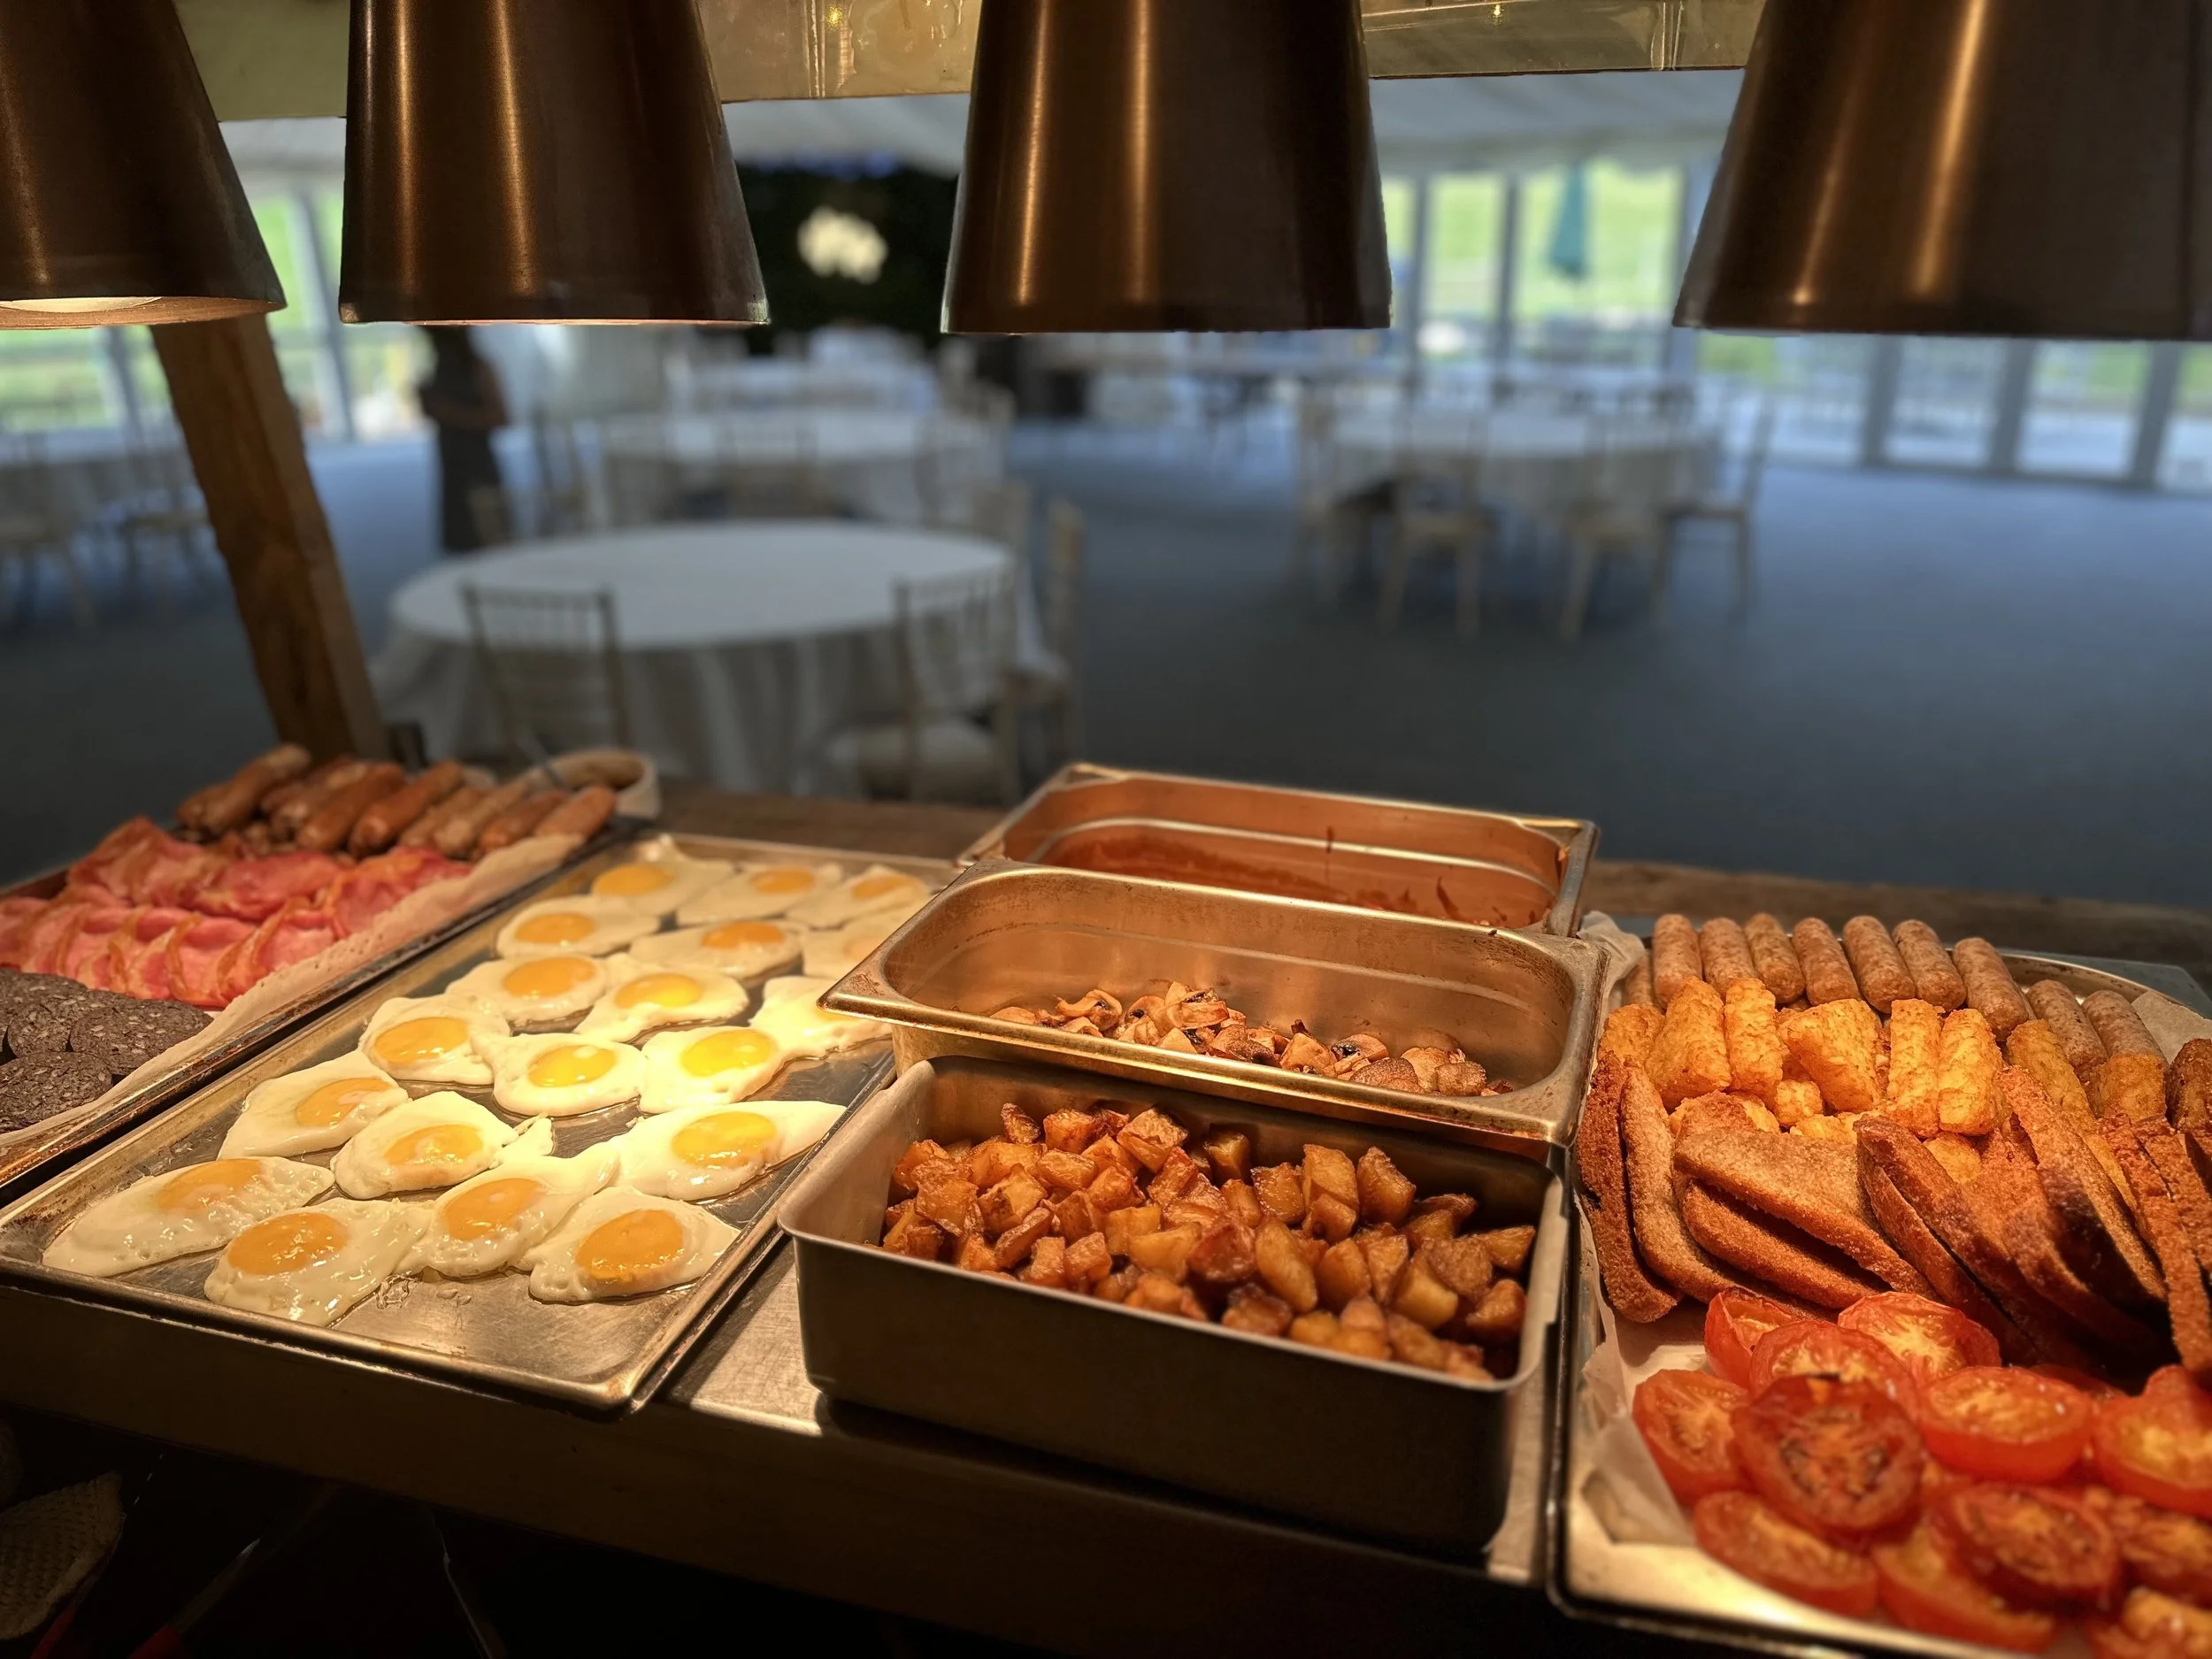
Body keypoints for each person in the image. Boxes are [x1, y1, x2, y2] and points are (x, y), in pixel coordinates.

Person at [416, 326, 511, 554]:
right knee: (461, 534)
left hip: (477, 460)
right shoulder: (440, 369)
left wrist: (452, 414)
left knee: (488, 528)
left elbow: (501, 416)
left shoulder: (478, 367)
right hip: (452, 460)